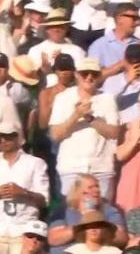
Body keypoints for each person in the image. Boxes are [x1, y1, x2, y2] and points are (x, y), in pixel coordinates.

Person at [49, 56, 121, 199]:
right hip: (71, 168)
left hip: (101, 168)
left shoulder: (108, 98)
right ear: (76, 74)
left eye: (94, 74)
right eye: (85, 73)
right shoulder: (62, 98)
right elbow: (55, 134)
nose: (89, 77)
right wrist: (76, 115)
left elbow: (114, 132)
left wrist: (90, 119)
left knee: (101, 216)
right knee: (72, 216)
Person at [0, 130, 50, 254]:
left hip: (22, 232)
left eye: (8, 137)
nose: (4, 141)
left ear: (18, 137)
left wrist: (23, 193)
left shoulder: (36, 163)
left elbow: (44, 200)